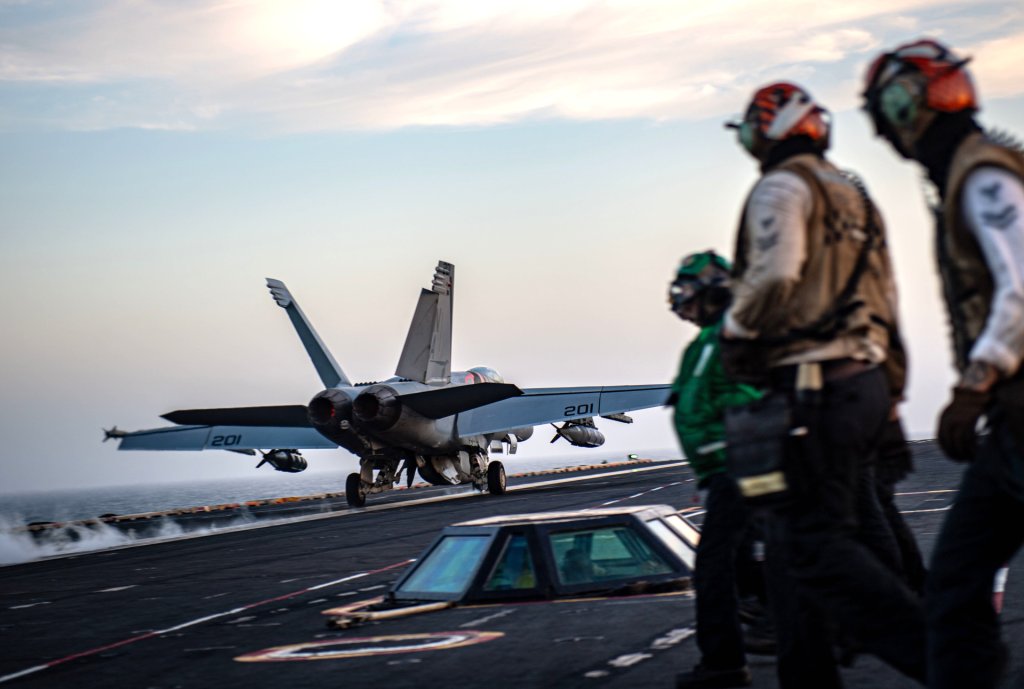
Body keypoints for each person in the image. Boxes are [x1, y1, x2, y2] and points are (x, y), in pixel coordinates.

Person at [719, 82, 926, 688]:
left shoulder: (782, 187)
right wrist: (892, 394)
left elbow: (774, 277)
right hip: (865, 383)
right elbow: (885, 298)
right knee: (803, 544)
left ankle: (946, 656)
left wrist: (736, 333)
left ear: (771, 128)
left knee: (812, 544)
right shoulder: (852, 193)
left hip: (813, 388)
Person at [862, 38, 1024, 689]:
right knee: (954, 587)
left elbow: (1020, 290)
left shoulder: (982, 176)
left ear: (909, 106)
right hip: (1010, 421)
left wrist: (974, 386)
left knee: (954, 586)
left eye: (887, 114)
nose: (886, 133)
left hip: (1014, 412)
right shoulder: (974, 172)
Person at [667, 250, 764, 689]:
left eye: (688, 290)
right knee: (742, 560)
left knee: (713, 567)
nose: (680, 301)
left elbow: (755, 394)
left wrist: (731, 438)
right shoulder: (709, 339)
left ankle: (725, 664)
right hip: (725, 468)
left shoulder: (731, 335)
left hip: (738, 465)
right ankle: (774, 618)